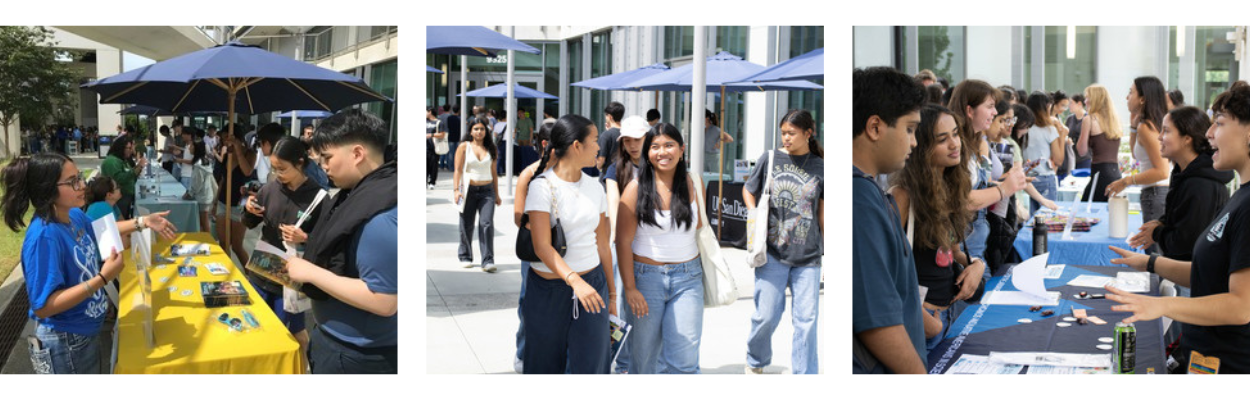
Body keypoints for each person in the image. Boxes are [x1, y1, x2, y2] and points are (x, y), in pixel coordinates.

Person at [1105, 81, 1250, 374]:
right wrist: (1150, 262)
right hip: (1205, 353)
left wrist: (1162, 307)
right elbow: (1207, 271)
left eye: (1219, 123)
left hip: (1228, 362)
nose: (1208, 134)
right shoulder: (1240, 196)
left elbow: (1240, 306)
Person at [2, 153, 178, 374]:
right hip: (65, 342)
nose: (83, 185)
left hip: (84, 333)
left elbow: (101, 230)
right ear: (47, 189)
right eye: (73, 181)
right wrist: (102, 278)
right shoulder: (44, 237)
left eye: (80, 177)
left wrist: (143, 222)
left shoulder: (73, 214)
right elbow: (44, 306)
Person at [284, 109, 397, 374]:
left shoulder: (379, 216)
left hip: (357, 355)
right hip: (340, 343)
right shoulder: (360, 193)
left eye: (327, 157)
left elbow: (384, 300)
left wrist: (311, 272)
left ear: (357, 154)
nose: (323, 166)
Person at [519, 114, 615, 374]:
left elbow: (603, 245)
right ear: (576, 146)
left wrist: (613, 295)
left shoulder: (596, 186)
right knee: (544, 369)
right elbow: (542, 247)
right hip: (549, 291)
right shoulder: (542, 187)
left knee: (593, 368)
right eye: (594, 141)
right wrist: (575, 281)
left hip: (593, 287)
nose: (599, 146)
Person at [852, 67, 927, 374]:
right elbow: (877, 322)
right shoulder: (859, 198)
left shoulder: (871, 191)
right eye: (909, 129)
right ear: (875, 127)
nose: (914, 143)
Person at [615, 122, 704, 374]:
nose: (662, 152)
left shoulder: (693, 183)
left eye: (669, 145)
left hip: (689, 278)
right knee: (644, 361)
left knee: (684, 358)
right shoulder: (635, 189)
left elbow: (700, 228)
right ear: (647, 153)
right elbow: (622, 242)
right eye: (655, 147)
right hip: (646, 280)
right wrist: (630, 288)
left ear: (682, 149)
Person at [889, 104, 979, 350]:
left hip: (950, 315)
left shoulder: (950, 188)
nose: (954, 143)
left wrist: (977, 265)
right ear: (921, 146)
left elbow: (952, 251)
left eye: (956, 134)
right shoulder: (903, 195)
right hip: (921, 323)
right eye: (942, 139)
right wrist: (927, 322)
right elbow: (883, 272)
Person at [744, 109, 824, 374]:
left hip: (808, 255)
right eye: (783, 133)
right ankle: (756, 361)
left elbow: (823, 211)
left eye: (791, 133)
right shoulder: (770, 158)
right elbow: (748, 189)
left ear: (807, 133)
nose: (786, 138)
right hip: (772, 253)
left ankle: (805, 375)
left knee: (806, 321)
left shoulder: (821, 166)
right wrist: (753, 214)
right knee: (765, 316)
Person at [243, 136, 324, 371]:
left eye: (283, 169)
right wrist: (248, 209)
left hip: (290, 277)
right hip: (261, 269)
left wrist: (305, 239)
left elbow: (327, 242)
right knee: (258, 327)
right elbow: (249, 222)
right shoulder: (270, 188)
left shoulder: (318, 197)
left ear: (300, 163)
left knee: (289, 334)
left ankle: (299, 371)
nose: (277, 174)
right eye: (274, 168)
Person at [1129, 106, 1232, 261]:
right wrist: (1162, 222)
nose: (1159, 137)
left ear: (1187, 138)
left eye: (1166, 131)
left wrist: (1157, 233)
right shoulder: (1185, 173)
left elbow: (1187, 242)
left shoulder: (1201, 184)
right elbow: (1184, 218)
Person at [947, 80, 1027, 280]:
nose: (994, 113)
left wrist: (1007, 185)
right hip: (965, 245)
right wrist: (1003, 190)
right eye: (990, 107)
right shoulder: (955, 150)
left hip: (979, 244)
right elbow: (962, 200)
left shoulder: (977, 143)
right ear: (969, 110)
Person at [602, 115, 649, 373]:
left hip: (654, 247)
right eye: (627, 140)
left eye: (637, 139)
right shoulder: (615, 169)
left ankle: (646, 360)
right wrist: (617, 243)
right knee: (621, 306)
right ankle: (623, 362)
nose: (632, 145)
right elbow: (613, 205)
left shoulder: (658, 164)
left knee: (647, 307)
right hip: (623, 244)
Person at [511, 119, 554, 373]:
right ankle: (523, 351)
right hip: (535, 250)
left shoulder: (568, 173)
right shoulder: (529, 173)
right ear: (547, 144)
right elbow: (518, 216)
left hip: (565, 250)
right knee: (529, 300)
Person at [1107, 77, 1172, 235]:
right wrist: (1133, 127)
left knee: (1155, 253)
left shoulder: (1147, 127)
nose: (1126, 97)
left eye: (1131, 92)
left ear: (1142, 99)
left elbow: (1162, 171)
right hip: (1157, 193)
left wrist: (1126, 181)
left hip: (1156, 193)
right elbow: (1138, 155)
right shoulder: (1147, 125)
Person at [454, 114, 502, 273]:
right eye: (476, 129)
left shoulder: (491, 148)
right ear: (470, 130)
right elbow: (458, 170)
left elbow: (494, 172)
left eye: (482, 129)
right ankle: (465, 255)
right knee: (466, 225)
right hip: (468, 190)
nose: (479, 132)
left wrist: (497, 193)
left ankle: (488, 260)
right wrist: (456, 190)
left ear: (486, 131)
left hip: (487, 191)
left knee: (486, 223)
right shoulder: (464, 147)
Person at [214, 123, 257, 266]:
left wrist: (238, 149)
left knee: (237, 246)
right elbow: (223, 180)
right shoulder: (227, 154)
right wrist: (215, 201)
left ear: (237, 138)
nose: (225, 141)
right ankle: (225, 273)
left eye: (228, 137)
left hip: (239, 204)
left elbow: (247, 172)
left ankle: (250, 277)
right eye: (224, 138)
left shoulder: (250, 153)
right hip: (222, 201)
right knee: (223, 243)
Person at [1077, 84, 1125, 203]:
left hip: (1100, 173)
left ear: (1095, 99)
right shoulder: (1114, 121)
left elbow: (1081, 151)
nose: (1085, 101)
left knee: (1086, 211)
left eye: (1087, 97)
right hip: (1115, 173)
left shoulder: (1089, 119)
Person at [1023, 91, 1063, 216]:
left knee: (1028, 222)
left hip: (1026, 179)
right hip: (1045, 177)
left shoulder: (1022, 129)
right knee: (1047, 220)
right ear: (1047, 107)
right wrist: (1062, 135)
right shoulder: (1049, 130)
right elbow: (1059, 160)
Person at [100, 135, 144, 220]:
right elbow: (119, 179)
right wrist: (137, 169)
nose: (131, 151)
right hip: (118, 199)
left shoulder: (122, 160)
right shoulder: (112, 161)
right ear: (121, 148)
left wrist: (138, 169)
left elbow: (129, 175)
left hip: (125, 197)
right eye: (129, 148)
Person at [182, 139, 216, 234]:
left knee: (203, 221)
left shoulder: (198, 165)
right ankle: (205, 240)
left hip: (203, 196)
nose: (190, 147)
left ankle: (208, 241)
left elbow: (197, 184)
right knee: (203, 221)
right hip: (205, 194)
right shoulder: (204, 161)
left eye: (192, 146)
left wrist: (189, 193)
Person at [596, 101, 625, 179]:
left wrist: (598, 167)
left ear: (610, 117)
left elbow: (601, 160)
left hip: (608, 176)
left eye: (606, 115)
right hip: (625, 174)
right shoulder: (627, 133)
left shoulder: (606, 135)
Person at [703, 109, 735, 179]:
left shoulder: (716, 129)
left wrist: (719, 141)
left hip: (714, 157)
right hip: (704, 156)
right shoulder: (702, 129)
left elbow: (730, 139)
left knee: (715, 177)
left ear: (707, 118)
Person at [1066, 94, 1092, 171]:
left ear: (1079, 104)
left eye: (1071, 103)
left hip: (1085, 158)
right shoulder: (1069, 119)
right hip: (1072, 158)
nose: (1069, 105)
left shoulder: (1088, 118)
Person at [427, 106, 445, 190]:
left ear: (429, 112)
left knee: (433, 166)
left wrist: (431, 135)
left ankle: (432, 182)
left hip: (434, 148)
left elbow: (442, 134)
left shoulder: (438, 122)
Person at [439, 105, 462, 171]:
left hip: (450, 136)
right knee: (457, 153)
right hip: (458, 137)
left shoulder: (449, 118)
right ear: (459, 111)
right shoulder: (460, 118)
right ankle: (455, 166)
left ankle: (450, 166)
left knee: (450, 153)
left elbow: (448, 126)